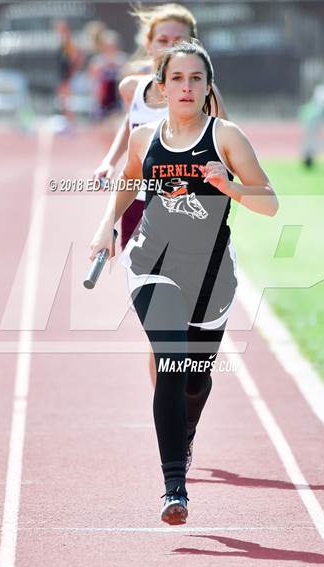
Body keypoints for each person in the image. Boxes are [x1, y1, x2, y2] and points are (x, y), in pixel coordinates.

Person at [89, 39, 278, 525]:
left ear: (208, 86)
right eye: (177, 78)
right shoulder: (143, 138)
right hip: (152, 264)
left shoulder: (226, 136)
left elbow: (269, 201)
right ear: (161, 86)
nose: (187, 87)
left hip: (212, 276)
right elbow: (129, 180)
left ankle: (184, 430)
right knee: (171, 362)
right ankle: (175, 487)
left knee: (195, 377)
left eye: (196, 79)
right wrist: (106, 225)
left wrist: (229, 186)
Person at [93, 3, 228, 387]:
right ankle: (167, 412)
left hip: (191, 219)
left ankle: (181, 408)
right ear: (149, 44)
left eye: (179, 39)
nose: (170, 45)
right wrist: (109, 160)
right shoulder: (132, 87)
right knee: (162, 333)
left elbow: (226, 142)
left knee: (185, 328)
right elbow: (130, 124)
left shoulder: (204, 92)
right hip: (142, 217)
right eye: (163, 39)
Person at [55, 20, 83, 121]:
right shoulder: (62, 41)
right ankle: (69, 122)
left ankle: (72, 123)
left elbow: (78, 57)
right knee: (63, 102)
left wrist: (71, 72)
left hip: (67, 76)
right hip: (63, 76)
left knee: (67, 102)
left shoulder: (68, 41)